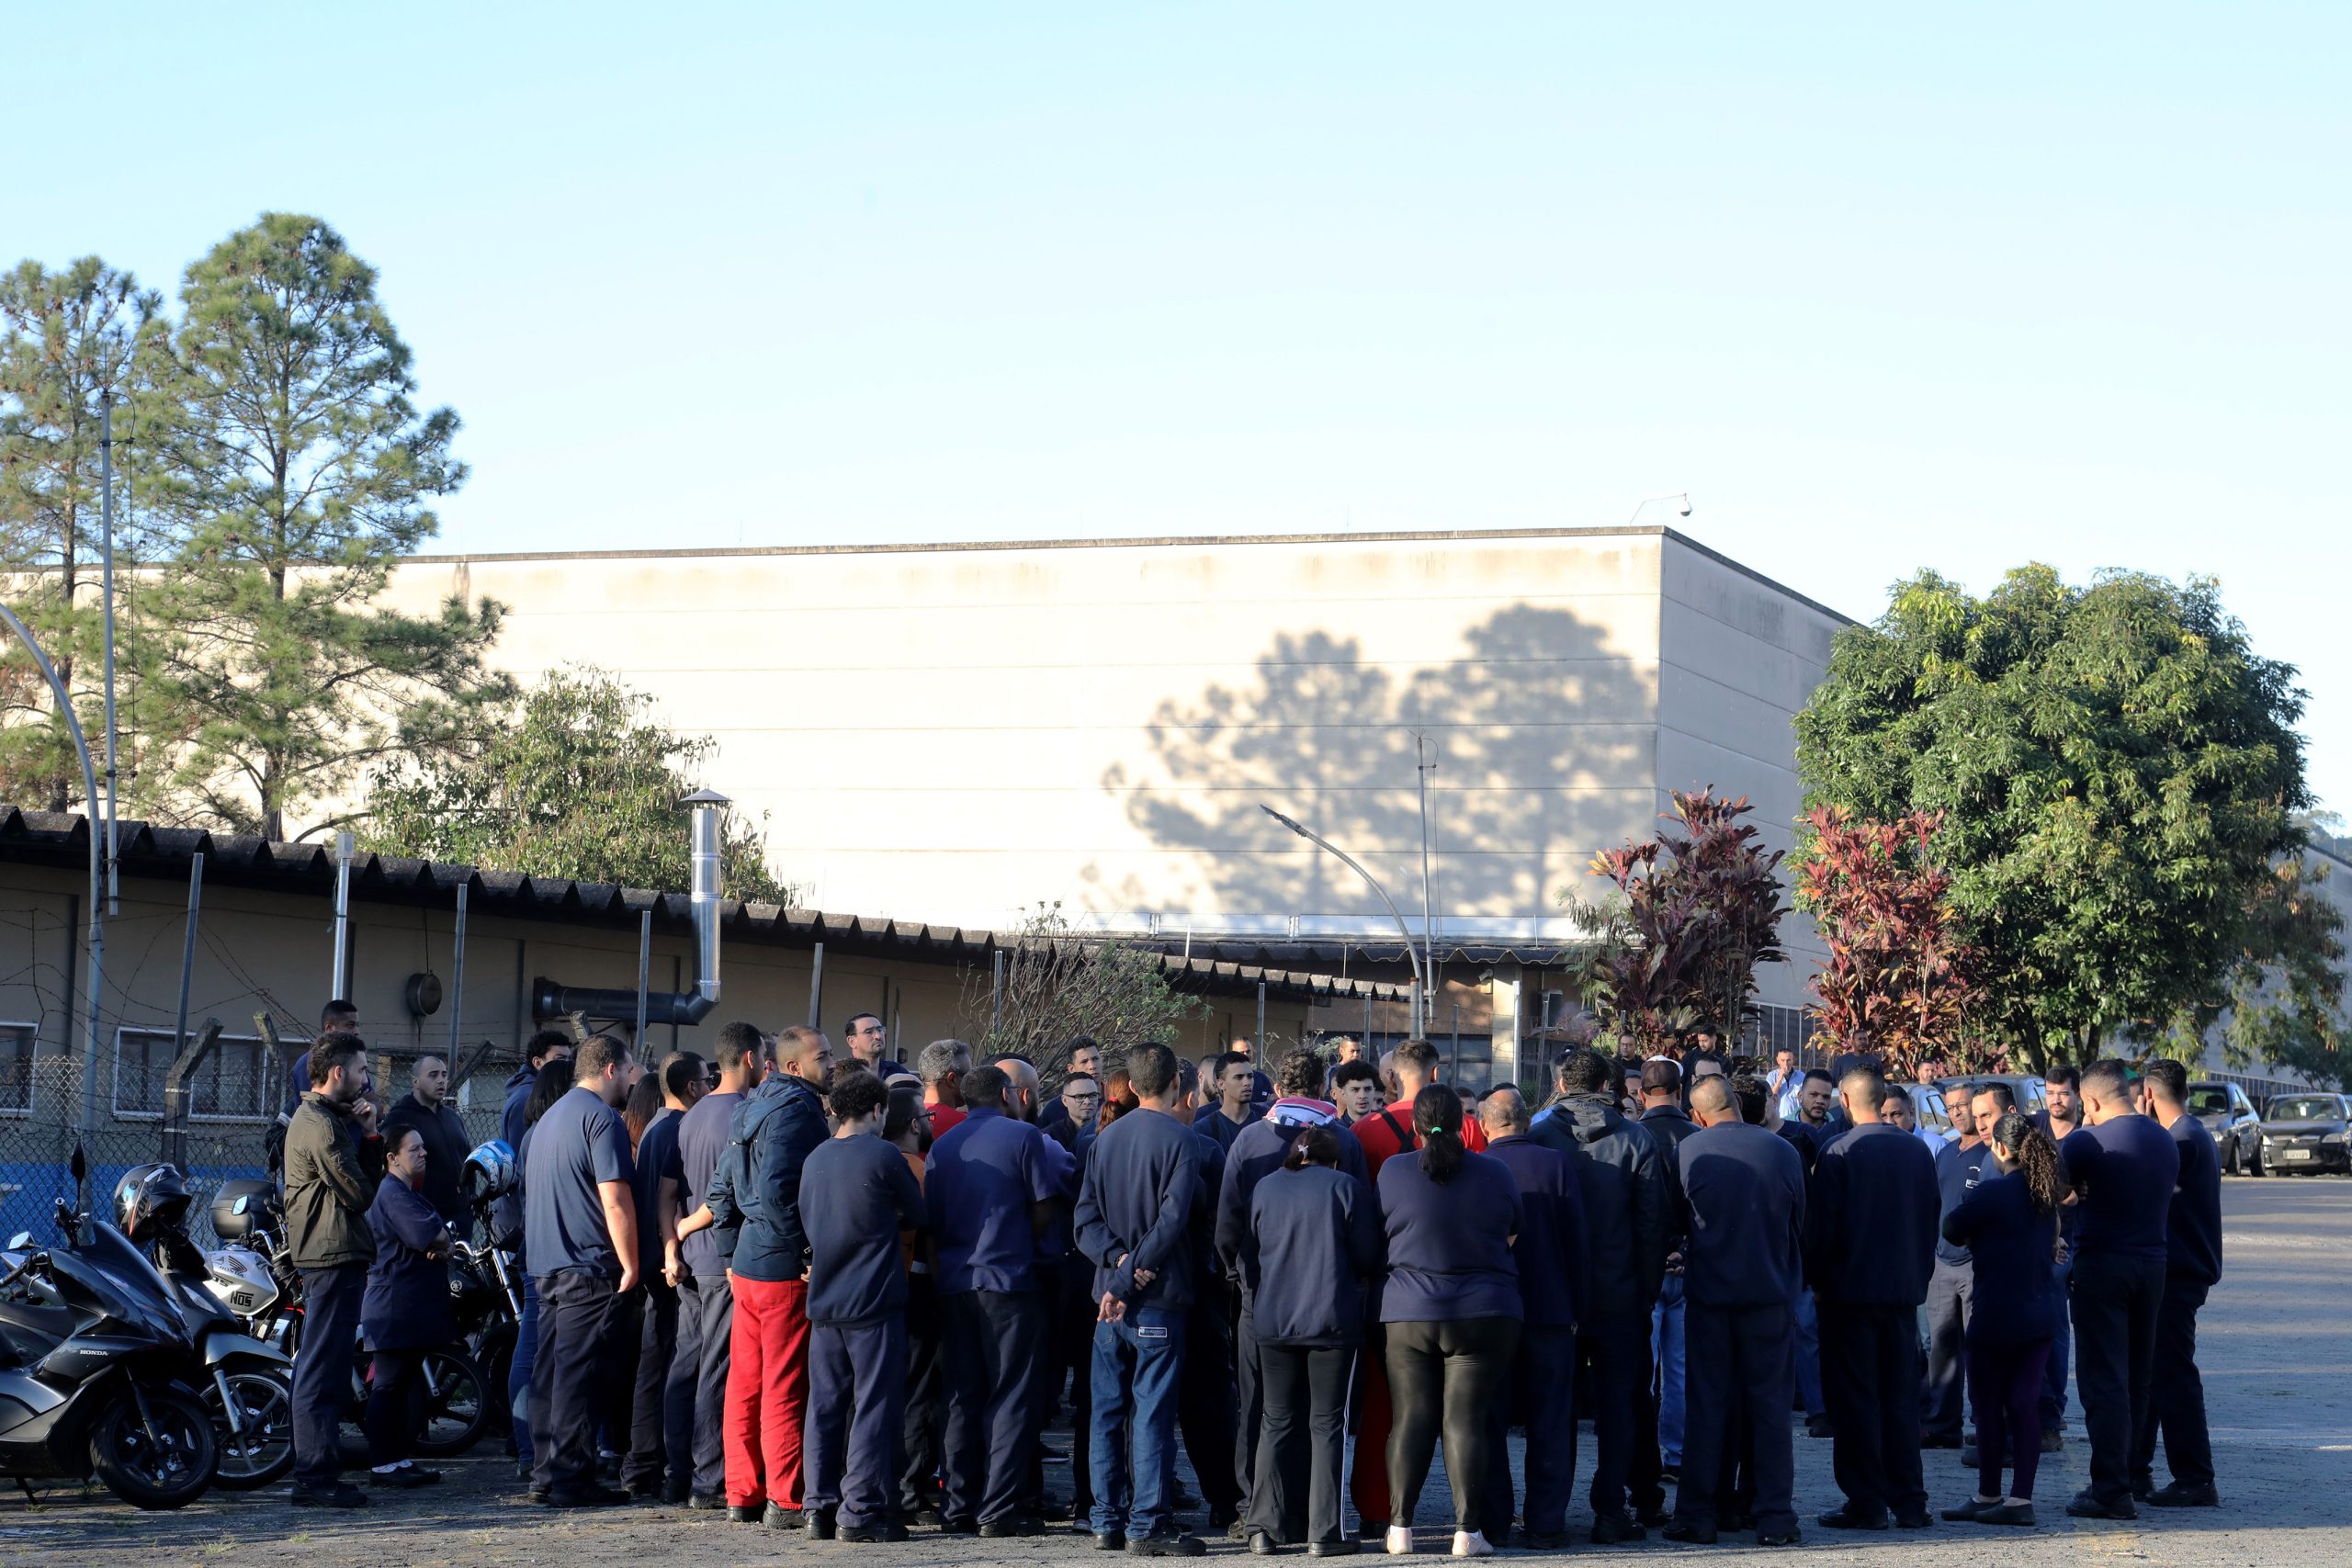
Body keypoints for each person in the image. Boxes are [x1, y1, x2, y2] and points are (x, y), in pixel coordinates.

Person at [1375, 1084, 1522, 1559]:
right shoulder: (1495, 1171)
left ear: (1416, 1126)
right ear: (1466, 1124)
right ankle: (1468, 1532)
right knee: (1466, 1421)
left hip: (1409, 1310)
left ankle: (1399, 1528)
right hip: (1484, 1309)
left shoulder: (1393, 1171)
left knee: (1410, 1419)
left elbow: (1376, 1234)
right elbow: (1513, 1232)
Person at [1346, 1038, 1485, 1537]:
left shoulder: (1364, 1130)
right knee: (1463, 1410)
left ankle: (1378, 1509)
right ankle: (1468, 1516)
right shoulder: (1467, 1126)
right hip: (1465, 1285)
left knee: (1386, 1404)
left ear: (1390, 1078)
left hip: (1391, 1287)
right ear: (1436, 1073)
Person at [1528, 1047, 1665, 1544]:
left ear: (1561, 1084)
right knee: (1619, 1408)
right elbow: (1652, 1229)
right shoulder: (1637, 1138)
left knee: (1554, 1406)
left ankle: (1548, 1516)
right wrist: (1646, 1293)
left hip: (1554, 1297)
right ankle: (1611, 1510)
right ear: (1609, 1086)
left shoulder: (1538, 1136)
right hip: (1619, 1295)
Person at [926, 1062, 1069, 1535]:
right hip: (1008, 1281)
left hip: (954, 1283)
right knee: (1011, 1394)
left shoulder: (942, 1147)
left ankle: (958, 1505)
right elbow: (1045, 1202)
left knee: (962, 1395)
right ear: (1007, 1094)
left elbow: (932, 1220)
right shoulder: (1023, 1138)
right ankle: (998, 1509)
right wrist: (1019, 1242)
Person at [1663, 1077, 1805, 1548]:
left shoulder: (1690, 1151)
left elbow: (1676, 1223)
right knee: (1770, 1409)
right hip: (1769, 1296)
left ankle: (1698, 1515)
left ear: (1699, 1115)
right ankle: (1775, 1517)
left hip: (1710, 1298)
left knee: (1707, 1405)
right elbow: (1797, 1220)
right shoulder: (1783, 1151)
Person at [1076, 1042, 1207, 1556]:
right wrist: (1129, 1276)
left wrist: (1114, 1271)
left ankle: (1105, 1518)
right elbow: (1172, 1222)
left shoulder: (1103, 1140)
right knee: (1151, 1412)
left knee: (1107, 1410)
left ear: (1130, 1085)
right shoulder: (1183, 1140)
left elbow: (1083, 1221)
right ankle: (1146, 1524)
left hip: (1108, 1300)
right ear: (1177, 1081)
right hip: (1157, 1299)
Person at [1804, 1066, 1940, 1532]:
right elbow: (1930, 1221)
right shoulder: (1918, 1151)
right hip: (1901, 1294)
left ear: (1845, 1099)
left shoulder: (1838, 1151)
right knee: (1901, 1397)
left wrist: (1816, 1281)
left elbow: (1821, 1230)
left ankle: (1866, 1501)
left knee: (1856, 1400)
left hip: (1849, 1297)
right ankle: (1909, 1500)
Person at [803, 1068, 929, 1541]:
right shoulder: (883, 1154)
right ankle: (859, 1511)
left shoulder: (815, 1156)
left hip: (825, 1301)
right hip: (874, 1300)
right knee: (873, 1406)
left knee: (824, 1407)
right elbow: (919, 1214)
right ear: (878, 1111)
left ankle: (818, 1505)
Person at [1244, 1123, 1381, 1555]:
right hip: (1331, 1321)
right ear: (1334, 1159)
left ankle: (1263, 1526)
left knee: (1275, 1420)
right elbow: (1367, 1256)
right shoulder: (1345, 1186)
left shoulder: (1265, 1187)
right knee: (1328, 1424)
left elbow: (1250, 1250)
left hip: (1273, 1319)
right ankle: (1325, 1531)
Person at [719, 1024, 833, 1528]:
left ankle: (742, 1493)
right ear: (793, 1067)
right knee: (784, 1384)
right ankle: (785, 1498)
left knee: (745, 1384)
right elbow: (779, 1192)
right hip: (780, 1266)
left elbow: (721, 1189)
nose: (830, 1064)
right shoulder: (799, 1110)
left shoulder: (752, 1105)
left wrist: (728, 1252)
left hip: (748, 1262)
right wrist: (806, 1250)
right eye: (823, 1056)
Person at [525, 1035, 644, 1508]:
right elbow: (614, 1198)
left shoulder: (549, 1119)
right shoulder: (602, 1119)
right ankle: (572, 1478)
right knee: (578, 1376)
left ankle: (545, 1473)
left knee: (550, 1371)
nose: (634, 1080)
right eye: (631, 1070)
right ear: (611, 1069)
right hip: (588, 1264)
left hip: (547, 1262)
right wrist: (632, 1263)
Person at [2058, 1058, 2177, 1520]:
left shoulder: (2087, 1140)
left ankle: (2110, 1489)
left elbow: (2052, 1191)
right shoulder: (2164, 1138)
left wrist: (2076, 1192)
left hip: (2104, 1263)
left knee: (2103, 1378)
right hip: (2153, 1265)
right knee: (2137, 1376)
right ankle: (2132, 1472)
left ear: (2089, 1100)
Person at [1939, 1111, 2065, 1527]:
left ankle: (1987, 1492)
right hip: (2040, 1312)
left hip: (1996, 1313)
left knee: (1988, 1405)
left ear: (2000, 1148)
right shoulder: (2044, 1194)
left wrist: (1983, 1235)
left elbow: (1952, 1228)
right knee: (2026, 1405)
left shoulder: (1992, 1193)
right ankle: (2019, 1501)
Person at [1476, 1087, 1587, 1550]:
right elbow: (1577, 1243)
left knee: (1489, 1419)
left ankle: (1494, 1519)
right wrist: (1579, 1307)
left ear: (1485, 1125)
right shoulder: (1557, 1164)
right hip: (1551, 1309)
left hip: (1491, 1311)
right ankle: (1545, 1521)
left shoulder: (1478, 1170)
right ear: (1526, 1121)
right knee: (1552, 1420)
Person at [283, 1032, 384, 1509]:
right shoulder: (320, 1126)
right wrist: (368, 1136)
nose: (367, 1080)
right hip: (330, 1256)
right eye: (362, 1070)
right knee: (321, 1370)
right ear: (339, 1073)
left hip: (334, 1254)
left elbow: (357, 1187)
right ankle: (314, 1475)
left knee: (326, 1365)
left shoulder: (324, 1120)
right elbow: (361, 1194)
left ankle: (318, 1471)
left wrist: (364, 1134)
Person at [669, 1021, 768, 1510]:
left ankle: (680, 1470)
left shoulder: (690, 1115)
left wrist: (677, 1238)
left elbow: (676, 1186)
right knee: (719, 1369)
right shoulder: (746, 1116)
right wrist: (689, 1229)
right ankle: (710, 1478)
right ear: (749, 1058)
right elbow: (727, 1192)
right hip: (724, 1261)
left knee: (687, 1365)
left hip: (692, 1259)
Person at [2132, 1058, 2222, 1508]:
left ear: (2148, 1096)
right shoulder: (2190, 1133)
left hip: (2177, 1273)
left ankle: (2194, 1478)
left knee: (2171, 1375)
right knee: (2152, 1373)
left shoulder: (2179, 1141)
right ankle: (2137, 1468)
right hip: (2180, 1269)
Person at [628, 1052, 703, 1501]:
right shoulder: (678, 1129)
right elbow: (670, 1197)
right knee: (673, 1363)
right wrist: (674, 1250)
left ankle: (642, 1464)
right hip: (674, 1262)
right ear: (692, 1087)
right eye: (706, 1081)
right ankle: (659, 1464)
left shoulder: (654, 1126)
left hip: (659, 1258)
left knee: (655, 1361)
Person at [362, 1125, 452, 1489]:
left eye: (423, 1148)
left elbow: (438, 1236)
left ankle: (397, 1458)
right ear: (392, 1157)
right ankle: (383, 1464)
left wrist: (440, 1239)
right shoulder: (393, 1194)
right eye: (414, 1149)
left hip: (407, 1306)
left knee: (402, 1386)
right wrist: (440, 1237)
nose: (423, 1154)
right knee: (388, 1386)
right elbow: (428, 1234)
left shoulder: (406, 1192)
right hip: (393, 1306)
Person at [505, 1059, 578, 1484]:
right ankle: (530, 1445)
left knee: (533, 1347)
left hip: (536, 1246)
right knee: (534, 1349)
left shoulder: (535, 1135)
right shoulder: (549, 1133)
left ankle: (528, 1445)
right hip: (546, 1250)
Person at [1633, 1058, 1698, 1518]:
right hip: (1688, 1264)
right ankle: (1675, 1454)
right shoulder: (1698, 1137)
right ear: (1681, 1090)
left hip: (1646, 1268)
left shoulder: (1632, 1136)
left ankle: (1646, 1461)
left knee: (1642, 1371)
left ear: (1642, 1093)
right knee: (1678, 1372)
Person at [886, 1082, 950, 1525]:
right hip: (919, 1287)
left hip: (879, 1291)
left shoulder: (873, 1162)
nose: (931, 1124)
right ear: (913, 1124)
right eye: (927, 1119)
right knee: (921, 1390)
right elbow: (931, 1232)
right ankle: (911, 1488)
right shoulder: (917, 1169)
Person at [1923, 1082, 1992, 1450]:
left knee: (1980, 1350)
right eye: (1950, 1107)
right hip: (1941, 1263)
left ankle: (1985, 1426)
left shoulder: (1993, 1154)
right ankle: (1942, 1426)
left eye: (1963, 1105)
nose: (1958, 1113)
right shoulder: (1946, 1153)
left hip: (1976, 1266)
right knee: (1941, 1348)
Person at [2030, 1063, 2084, 1449]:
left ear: (2078, 1095)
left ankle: (2054, 1410)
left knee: (2056, 1326)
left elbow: (2079, 1194)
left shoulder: (2086, 1136)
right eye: (2050, 1093)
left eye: (2063, 1093)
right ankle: (2036, 1405)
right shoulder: (2036, 1128)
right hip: (2036, 1239)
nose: (2055, 1101)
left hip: (2072, 1242)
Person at [382, 1055, 470, 1230]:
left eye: (444, 1075)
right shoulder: (400, 1117)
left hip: (462, 1215)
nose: (441, 1080)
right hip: (424, 1216)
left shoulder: (452, 1117)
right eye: (433, 1075)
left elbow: (465, 1157)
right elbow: (386, 1165)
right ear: (415, 1082)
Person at [505, 1029, 576, 1150]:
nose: (567, 1065)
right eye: (560, 1059)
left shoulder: (538, 1092)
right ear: (538, 1063)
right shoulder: (528, 1098)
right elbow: (519, 1152)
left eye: (569, 1059)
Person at [1195, 1050, 1259, 1153]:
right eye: (1239, 1077)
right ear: (1220, 1084)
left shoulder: (1267, 1120)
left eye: (1250, 1076)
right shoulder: (1204, 1129)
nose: (1247, 1082)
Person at [1040, 1036, 1103, 1132]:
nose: (1092, 1066)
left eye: (1095, 1059)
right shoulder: (1054, 1109)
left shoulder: (1117, 1098)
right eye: (1084, 1061)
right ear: (1071, 1069)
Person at [919, 1038, 971, 1138]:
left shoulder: (911, 1118)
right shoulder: (965, 1124)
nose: (972, 1080)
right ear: (952, 1080)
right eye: (968, 1075)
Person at [845, 1011, 903, 1075]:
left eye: (880, 1030)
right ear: (852, 1041)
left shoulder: (897, 1071)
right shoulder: (840, 1074)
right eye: (869, 1032)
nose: (878, 1036)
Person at [1331, 1059, 1381, 1125]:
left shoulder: (1386, 1126)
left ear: (1374, 1091)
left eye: (1368, 1089)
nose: (1362, 1096)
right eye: (1355, 1090)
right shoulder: (1333, 1133)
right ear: (1343, 1093)